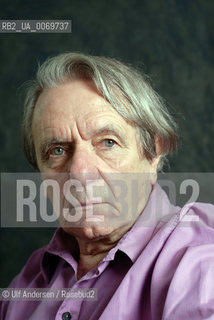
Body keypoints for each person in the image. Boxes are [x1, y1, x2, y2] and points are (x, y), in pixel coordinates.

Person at [1, 53, 214, 320]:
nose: (79, 173)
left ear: (153, 153)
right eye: (57, 150)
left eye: (108, 142)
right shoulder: (29, 281)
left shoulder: (200, 261)